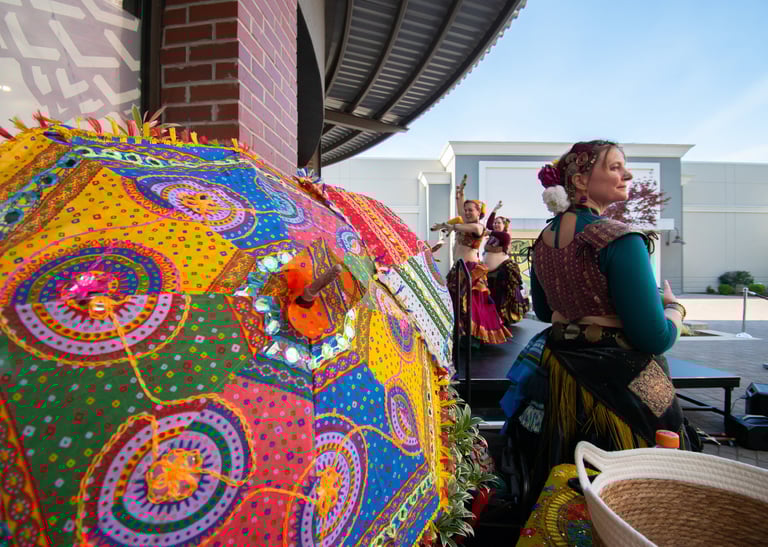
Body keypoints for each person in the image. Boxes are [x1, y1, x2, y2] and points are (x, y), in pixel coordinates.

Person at [500, 140, 698, 510]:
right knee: (627, 492)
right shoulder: (620, 239)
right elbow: (654, 337)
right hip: (618, 385)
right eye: (615, 166)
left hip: (560, 374)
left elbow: (543, 311)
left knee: (563, 484)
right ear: (580, 180)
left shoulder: (543, 240)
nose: (628, 174)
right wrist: (675, 309)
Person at [431, 177, 511, 345]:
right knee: (455, 301)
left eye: (471, 210)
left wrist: (451, 225)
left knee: (471, 304)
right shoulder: (465, 221)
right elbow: (461, 211)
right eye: (466, 210)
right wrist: (459, 195)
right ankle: (459, 334)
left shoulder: (478, 227)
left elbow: (469, 227)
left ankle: (473, 337)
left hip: (470, 269)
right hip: (458, 268)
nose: (467, 213)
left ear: (478, 212)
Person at [483, 201, 530, 327]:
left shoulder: (505, 236)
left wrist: (489, 231)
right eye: (495, 223)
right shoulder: (492, 237)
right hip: (489, 272)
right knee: (490, 294)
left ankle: (504, 318)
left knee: (502, 295)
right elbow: (489, 226)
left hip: (502, 271)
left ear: (504, 225)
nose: (496, 224)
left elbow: (493, 232)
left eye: (499, 223)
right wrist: (494, 210)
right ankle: (491, 317)